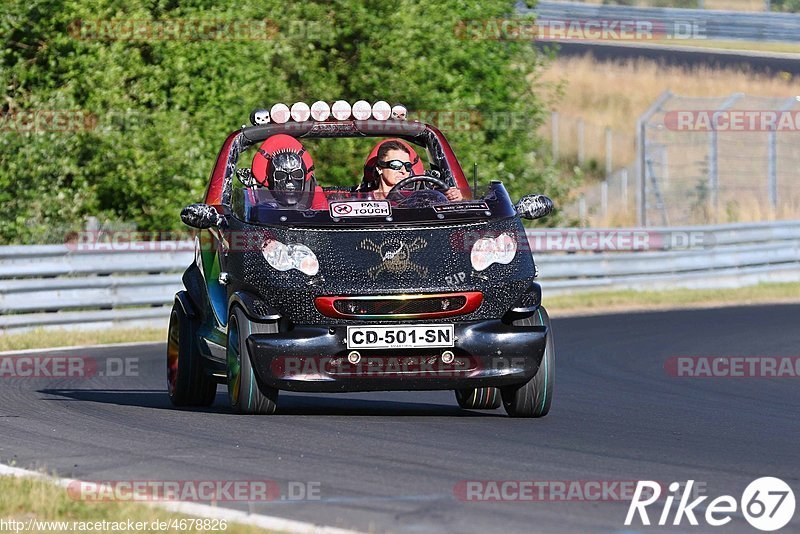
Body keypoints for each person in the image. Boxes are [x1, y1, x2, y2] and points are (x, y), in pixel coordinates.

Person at [371, 140, 463, 201]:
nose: (403, 171)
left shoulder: (419, 199)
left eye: (407, 166)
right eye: (396, 165)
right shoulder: (362, 198)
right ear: (379, 168)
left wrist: (453, 197)